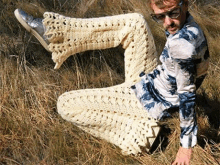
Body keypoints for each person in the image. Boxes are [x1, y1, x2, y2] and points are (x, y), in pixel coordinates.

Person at [14, 0, 209, 164]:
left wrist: (186, 147)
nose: (167, 22)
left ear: (186, 4)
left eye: (173, 13)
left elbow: (187, 95)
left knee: (65, 104)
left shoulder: (183, 47)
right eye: (160, 16)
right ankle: (55, 33)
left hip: (152, 103)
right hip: (153, 79)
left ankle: (142, 133)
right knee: (135, 22)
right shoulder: (188, 24)